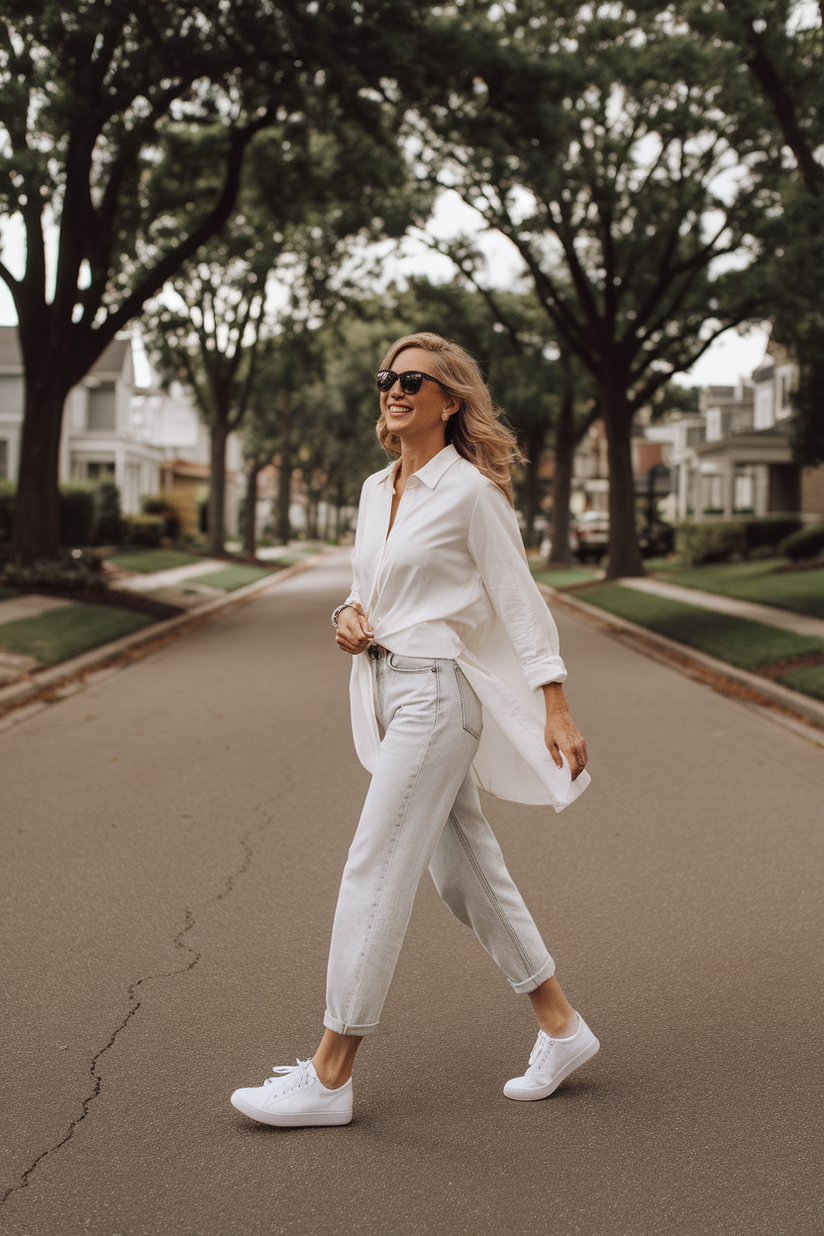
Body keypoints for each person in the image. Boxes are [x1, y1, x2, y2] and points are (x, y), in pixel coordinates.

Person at [231, 333, 597, 1128]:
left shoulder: (471, 492)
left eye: (413, 380)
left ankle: (330, 1075)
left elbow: (519, 601)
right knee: (464, 876)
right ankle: (562, 1027)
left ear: (450, 400)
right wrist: (346, 616)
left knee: (375, 865)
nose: (394, 389)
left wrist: (555, 702)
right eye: (387, 378)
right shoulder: (373, 489)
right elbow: (368, 591)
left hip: (438, 696)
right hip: (389, 691)